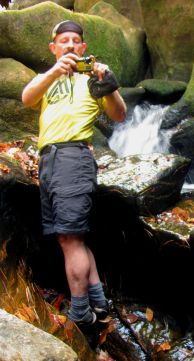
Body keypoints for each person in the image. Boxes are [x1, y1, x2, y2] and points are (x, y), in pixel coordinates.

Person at [22, 20, 127, 327]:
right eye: (63, 40)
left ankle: (80, 314)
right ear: (53, 48)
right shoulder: (47, 78)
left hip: (73, 155)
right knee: (71, 239)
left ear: (83, 48)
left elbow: (119, 115)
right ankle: (98, 302)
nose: (69, 44)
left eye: (75, 40)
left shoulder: (92, 79)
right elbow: (27, 98)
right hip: (49, 159)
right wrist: (55, 71)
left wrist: (110, 84)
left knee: (70, 239)